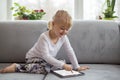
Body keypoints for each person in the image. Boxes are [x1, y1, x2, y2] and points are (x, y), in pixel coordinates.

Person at [0, 10, 89, 74]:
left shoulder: (64, 37)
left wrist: (76, 67)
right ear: (53, 24)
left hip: (46, 61)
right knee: (49, 67)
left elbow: (70, 51)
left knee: (60, 63)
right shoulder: (44, 37)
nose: (64, 32)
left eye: (67, 29)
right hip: (33, 59)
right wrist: (62, 65)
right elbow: (46, 56)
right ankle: (17, 67)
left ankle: (52, 66)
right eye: (62, 28)